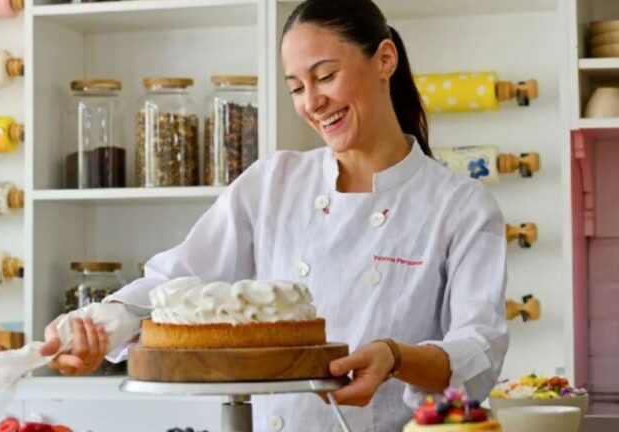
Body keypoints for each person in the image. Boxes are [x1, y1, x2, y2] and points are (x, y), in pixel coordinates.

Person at [40, 0, 509, 430]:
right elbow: (176, 283)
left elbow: (478, 350)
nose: (311, 102)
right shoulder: (273, 183)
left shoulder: (459, 206)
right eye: (296, 88)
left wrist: (394, 356)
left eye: (325, 76)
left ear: (385, 59)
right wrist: (98, 326)